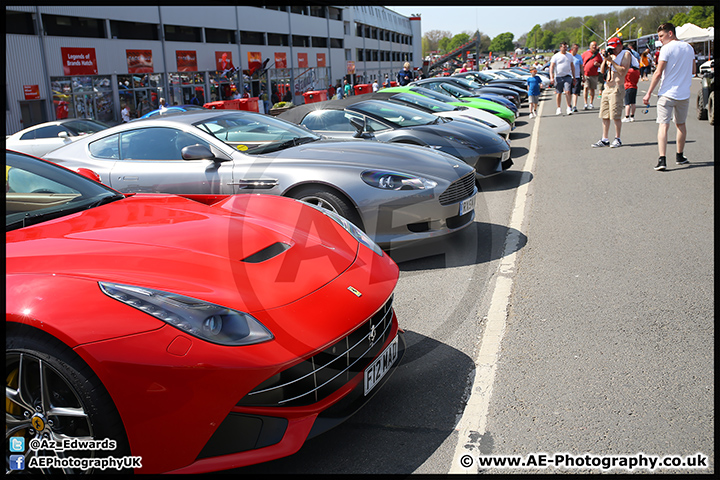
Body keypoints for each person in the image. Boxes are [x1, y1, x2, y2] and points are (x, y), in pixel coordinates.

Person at [641, 22, 696, 171]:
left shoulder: (666, 48)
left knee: (663, 125)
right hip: (683, 93)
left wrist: (648, 93)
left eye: (661, 36)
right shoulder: (689, 48)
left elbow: (658, 73)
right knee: (681, 124)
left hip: (667, 93)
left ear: (670, 33)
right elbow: (693, 69)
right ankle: (680, 155)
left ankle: (662, 159)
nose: (660, 39)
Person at [591, 36, 632, 148]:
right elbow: (602, 71)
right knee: (604, 114)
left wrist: (612, 61)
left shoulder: (625, 54)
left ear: (620, 46)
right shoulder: (611, 56)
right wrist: (605, 59)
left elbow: (622, 71)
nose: (613, 50)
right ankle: (605, 138)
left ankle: (617, 138)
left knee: (615, 115)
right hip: (607, 87)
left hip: (617, 87)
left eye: (614, 48)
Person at [548, 41, 576, 115]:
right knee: (559, 92)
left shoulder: (569, 55)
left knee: (567, 91)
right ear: (560, 47)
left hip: (567, 75)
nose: (565, 48)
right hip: (558, 76)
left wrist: (574, 76)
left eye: (566, 47)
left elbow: (572, 66)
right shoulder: (556, 56)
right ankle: (558, 108)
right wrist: (551, 77)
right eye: (564, 47)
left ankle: (568, 107)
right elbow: (552, 67)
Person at [581, 41, 602, 110]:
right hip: (586, 74)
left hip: (594, 75)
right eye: (593, 46)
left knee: (592, 89)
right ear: (590, 47)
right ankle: (585, 103)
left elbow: (602, 64)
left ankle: (591, 103)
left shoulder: (598, 55)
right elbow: (581, 63)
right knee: (586, 87)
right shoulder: (585, 54)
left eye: (595, 46)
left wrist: (598, 65)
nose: (594, 47)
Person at [569, 43, 583, 112]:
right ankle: (569, 105)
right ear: (572, 49)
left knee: (575, 92)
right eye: (575, 48)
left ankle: (574, 105)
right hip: (569, 76)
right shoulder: (568, 56)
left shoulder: (579, 57)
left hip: (577, 76)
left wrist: (583, 75)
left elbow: (581, 67)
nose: (577, 50)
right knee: (569, 92)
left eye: (577, 48)